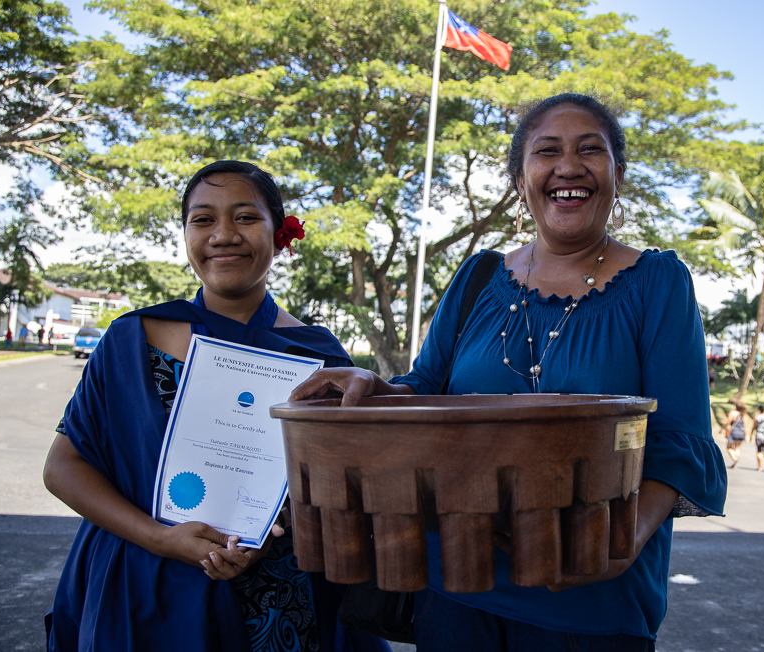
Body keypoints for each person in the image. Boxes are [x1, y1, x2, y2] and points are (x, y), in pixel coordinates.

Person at [292, 94, 727, 651]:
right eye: (547, 152)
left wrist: (612, 551)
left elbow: (678, 440)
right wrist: (374, 386)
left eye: (589, 150)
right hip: (457, 583)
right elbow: (425, 389)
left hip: (592, 601)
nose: (568, 166)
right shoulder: (479, 277)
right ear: (520, 181)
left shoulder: (658, 282)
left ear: (618, 175)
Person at [43, 161, 391, 652]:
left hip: (281, 596)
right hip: (143, 583)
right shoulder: (131, 340)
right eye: (203, 220)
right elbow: (63, 468)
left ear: (279, 234)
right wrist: (159, 538)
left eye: (245, 217)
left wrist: (274, 528)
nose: (223, 235)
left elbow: (344, 485)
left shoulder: (319, 357)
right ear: (186, 234)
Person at [722, 401, 747, 469]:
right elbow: (745, 426)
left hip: (733, 432)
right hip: (741, 433)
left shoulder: (733, 413)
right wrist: (746, 435)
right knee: (737, 447)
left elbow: (728, 422)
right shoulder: (743, 415)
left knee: (729, 447)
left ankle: (734, 459)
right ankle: (735, 460)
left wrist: (722, 428)